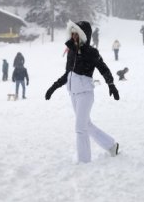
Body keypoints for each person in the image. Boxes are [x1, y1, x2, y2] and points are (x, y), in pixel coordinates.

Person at [45, 20, 120, 164]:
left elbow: (104, 69)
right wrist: (54, 87)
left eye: (76, 34)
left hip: (85, 94)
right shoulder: (71, 52)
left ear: (84, 35)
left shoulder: (91, 52)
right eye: (72, 34)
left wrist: (111, 84)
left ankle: (84, 161)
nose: (73, 37)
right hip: (73, 93)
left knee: (80, 128)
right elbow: (68, 74)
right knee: (87, 125)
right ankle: (111, 146)